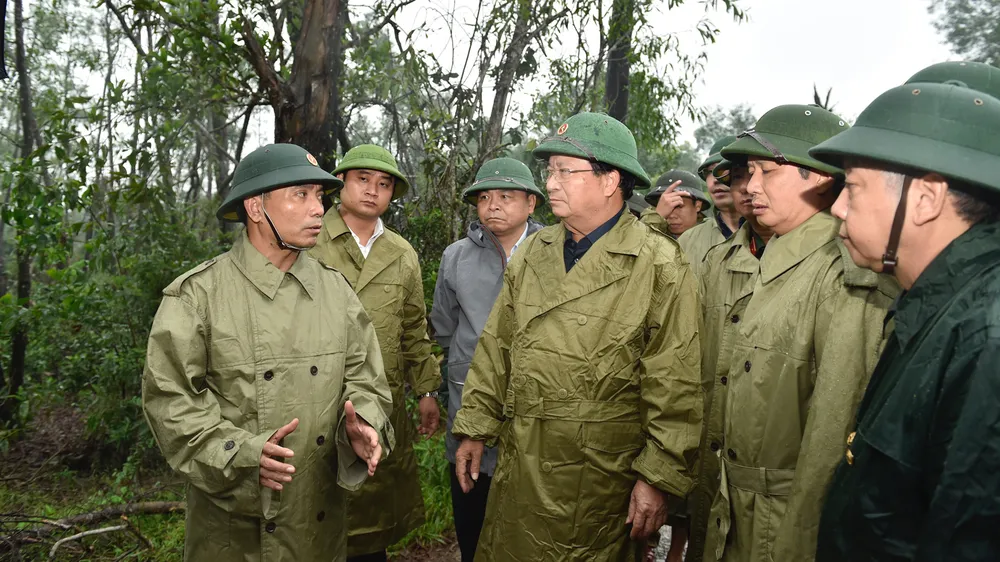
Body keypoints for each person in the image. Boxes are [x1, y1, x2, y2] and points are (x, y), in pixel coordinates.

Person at [451, 112, 703, 561]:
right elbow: (496, 347)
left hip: (600, 475)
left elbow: (675, 381)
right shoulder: (535, 252)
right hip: (522, 458)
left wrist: (658, 477)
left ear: (611, 182)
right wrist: (474, 427)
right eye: (550, 171)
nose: (550, 183)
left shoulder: (658, 264)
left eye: (565, 171)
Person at [142, 143, 394, 562]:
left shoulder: (335, 290)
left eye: (320, 196)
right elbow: (170, 401)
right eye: (301, 195)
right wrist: (239, 455)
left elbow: (366, 377)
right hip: (235, 532)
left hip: (320, 523)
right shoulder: (199, 296)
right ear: (256, 207)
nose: (319, 209)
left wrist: (363, 423)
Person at [809, 71, 1000, 561]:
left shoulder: (985, 335)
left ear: (925, 198)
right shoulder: (935, 306)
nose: (837, 209)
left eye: (852, 187)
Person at [701, 105, 899, 562]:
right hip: (733, 511)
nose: (750, 187)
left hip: (783, 530)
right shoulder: (767, 256)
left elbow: (831, 441)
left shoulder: (843, 275)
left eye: (768, 171)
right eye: (749, 172)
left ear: (819, 177)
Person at [309, 144, 441, 562]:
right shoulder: (310, 242)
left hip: (380, 404)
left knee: (372, 519)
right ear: (341, 183)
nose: (372, 191)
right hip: (315, 400)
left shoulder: (401, 254)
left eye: (383, 184)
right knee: (315, 514)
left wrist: (426, 391)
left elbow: (413, 329)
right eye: (362, 179)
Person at [430, 157, 546, 562]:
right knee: (473, 524)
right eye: (484, 197)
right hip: (469, 410)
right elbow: (444, 328)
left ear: (531, 204)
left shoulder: (555, 254)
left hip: (536, 414)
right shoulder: (457, 257)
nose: (493, 205)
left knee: (531, 527)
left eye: (505, 196)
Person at [679, 156, 774, 562]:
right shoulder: (717, 257)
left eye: (760, 175)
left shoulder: (834, 267)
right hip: (711, 444)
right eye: (739, 178)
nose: (748, 187)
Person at [675, 135, 745, 276]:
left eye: (724, 169)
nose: (716, 180)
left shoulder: (770, 234)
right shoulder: (687, 241)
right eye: (709, 172)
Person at [641, 169, 713, 241]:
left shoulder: (712, 238)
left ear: (698, 205)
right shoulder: (650, 238)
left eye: (678, 206)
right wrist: (655, 219)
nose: (672, 216)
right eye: (665, 206)